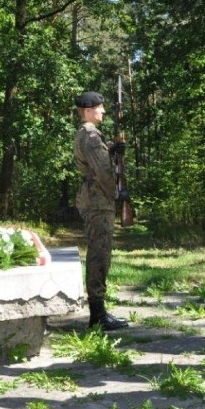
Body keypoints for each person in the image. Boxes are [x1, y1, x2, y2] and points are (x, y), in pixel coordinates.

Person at [73, 91, 129, 331]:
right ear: (88, 110)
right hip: (98, 201)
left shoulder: (91, 135)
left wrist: (114, 150)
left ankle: (99, 310)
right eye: (99, 107)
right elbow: (104, 173)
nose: (103, 111)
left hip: (96, 200)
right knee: (99, 255)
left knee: (100, 253)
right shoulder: (91, 136)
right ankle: (97, 314)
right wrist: (118, 193)